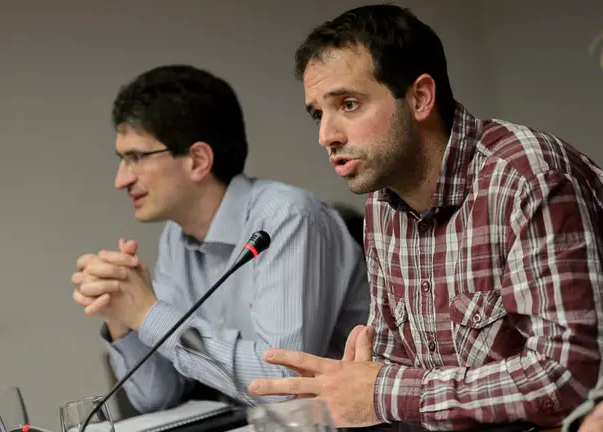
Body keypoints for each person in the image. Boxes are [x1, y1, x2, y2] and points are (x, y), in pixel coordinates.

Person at [248, 4, 603, 431]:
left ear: (420, 98)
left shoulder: (528, 178)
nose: (327, 135)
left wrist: (381, 392)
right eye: (318, 114)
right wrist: (343, 392)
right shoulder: (383, 204)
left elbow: (566, 378)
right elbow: (395, 369)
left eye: (349, 104)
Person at [70, 65, 370, 414]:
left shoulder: (288, 217)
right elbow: (158, 397)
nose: (121, 179)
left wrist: (150, 313)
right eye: (122, 159)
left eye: (136, 157)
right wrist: (122, 314)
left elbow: (284, 384)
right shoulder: (176, 238)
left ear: (197, 160)